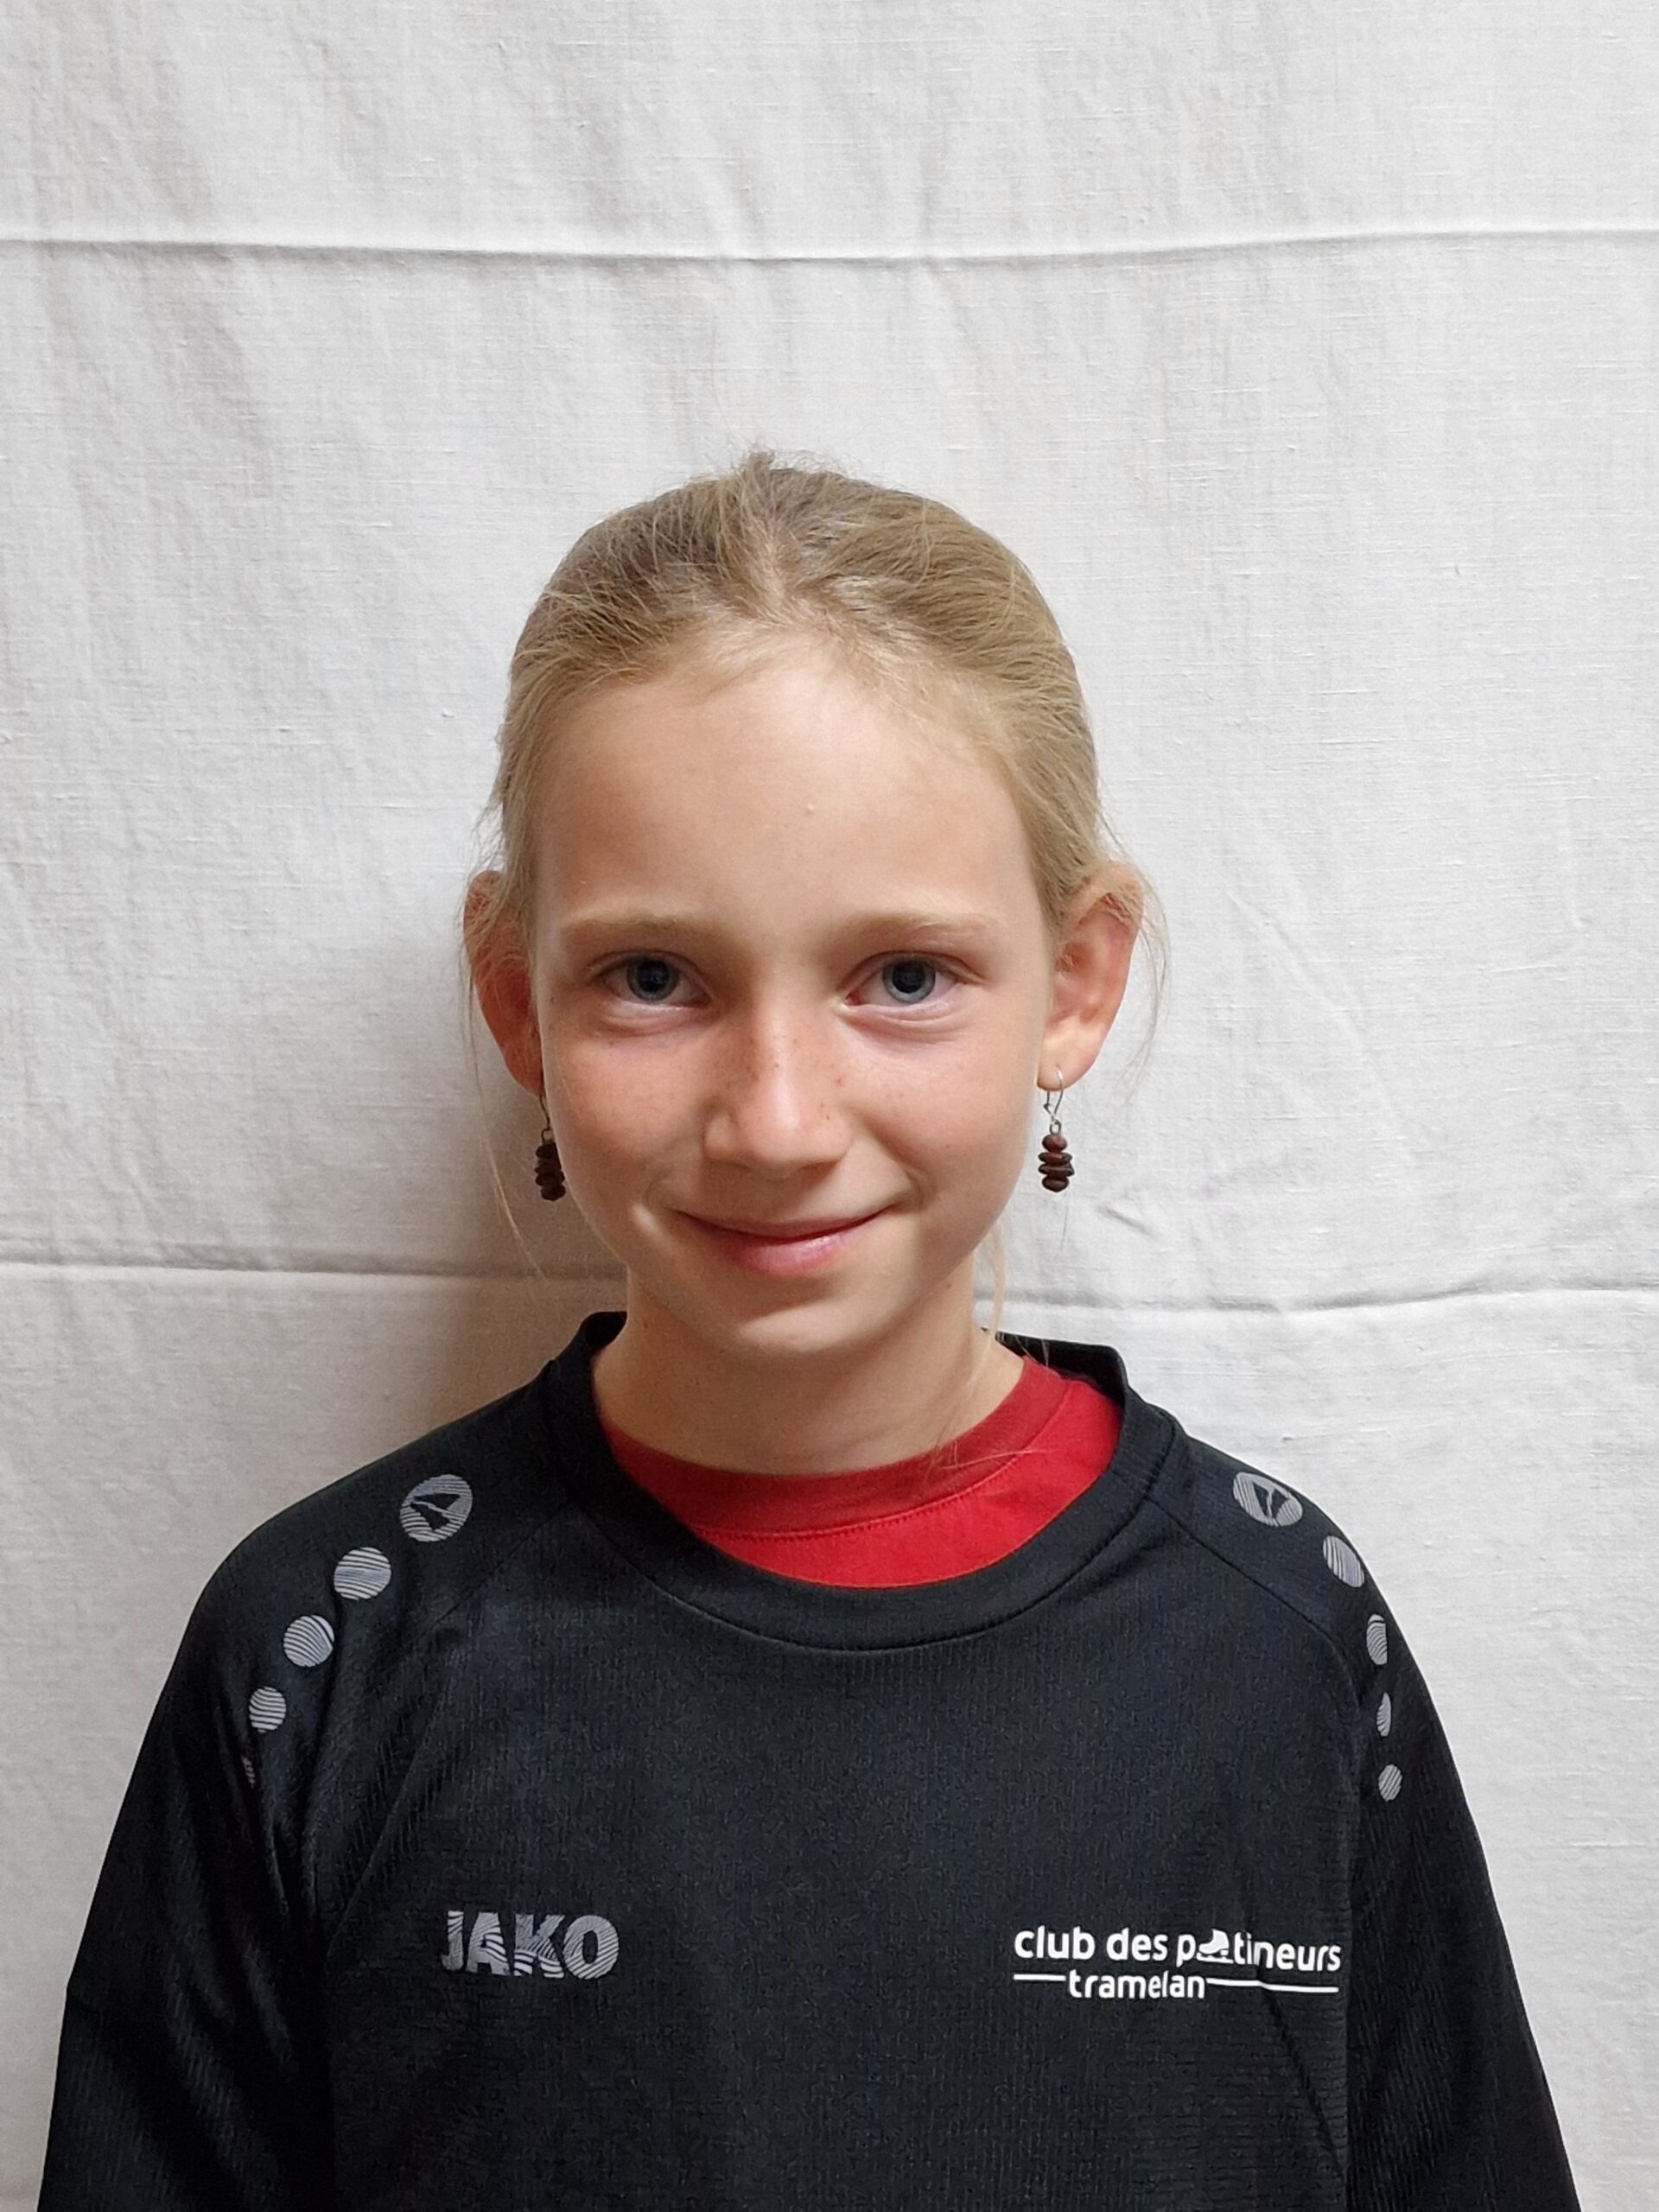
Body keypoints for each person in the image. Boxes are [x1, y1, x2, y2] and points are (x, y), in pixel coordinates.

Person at [35, 448, 1580, 2209]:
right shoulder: (322, 1650)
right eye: (654, 978)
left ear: (1076, 980)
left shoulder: (1286, 1638)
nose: (776, 1120)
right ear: (515, 992)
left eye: (903, 977)